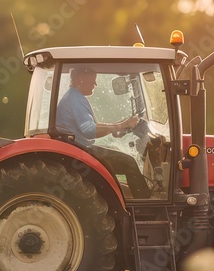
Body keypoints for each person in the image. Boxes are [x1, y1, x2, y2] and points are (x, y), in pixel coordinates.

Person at [56, 66, 153, 198]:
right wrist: (121, 125)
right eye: (92, 81)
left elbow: (93, 126)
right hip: (81, 151)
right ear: (79, 80)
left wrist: (119, 126)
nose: (95, 85)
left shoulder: (73, 97)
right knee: (128, 162)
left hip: (78, 147)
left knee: (113, 151)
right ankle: (144, 205)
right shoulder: (75, 100)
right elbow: (89, 131)